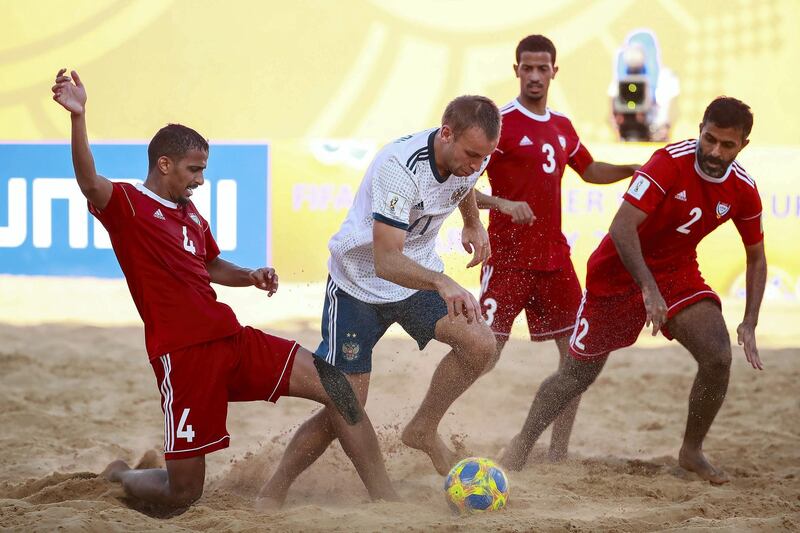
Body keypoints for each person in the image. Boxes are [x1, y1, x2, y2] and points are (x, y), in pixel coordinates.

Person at [51, 68, 397, 509]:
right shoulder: (129, 206)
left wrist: (249, 275)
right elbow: (87, 181)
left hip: (231, 340)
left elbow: (211, 264)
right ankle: (123, 474)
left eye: (203, 170)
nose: (200, 179)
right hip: (184, 357)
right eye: (194, 170)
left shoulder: (192, 215)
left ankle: (387, 499)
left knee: (338, 386)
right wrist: (79, 118)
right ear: (164, 164)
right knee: (183, 495)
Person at [500, 96, 767, 485]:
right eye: (709, 139)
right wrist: (647, 288)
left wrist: (750, 320)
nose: (714, 151)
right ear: (700, 131)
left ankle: (692, 451)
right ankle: (523, 443)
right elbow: (622, 228)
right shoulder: (668, 162)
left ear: (742, 145)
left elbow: (756, 257)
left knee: (718, 356)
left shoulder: (743, 188)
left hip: (676, 272)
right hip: (617, 272)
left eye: (727, 145)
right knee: (577, 376)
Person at [259, 95, 501, 506]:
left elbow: (465, 185)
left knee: (480, 345)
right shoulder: (398, 167)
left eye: (485, 157)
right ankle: (279, 488)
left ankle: (423, 427)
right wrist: (444, 282)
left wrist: (473, 222)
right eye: (472, 154)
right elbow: (386, 261)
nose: (477, 165)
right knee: (346, 405)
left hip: (415, 280)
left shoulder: (471, 156)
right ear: (446, 133)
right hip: (359, 286)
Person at [475, 34, 639, 461]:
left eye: (541, 68)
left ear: (553, 71)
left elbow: (589, 170)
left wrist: (632, 169)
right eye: (526, 68)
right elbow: (462, 185)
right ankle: (426, 424)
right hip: (508, 261)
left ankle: (557, 452)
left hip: (555, 261)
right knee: (482, 355)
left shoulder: (563, 126)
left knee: (577, 361)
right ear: (516, 71)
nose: (533, 76)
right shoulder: (500, 123)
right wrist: (502, 204)